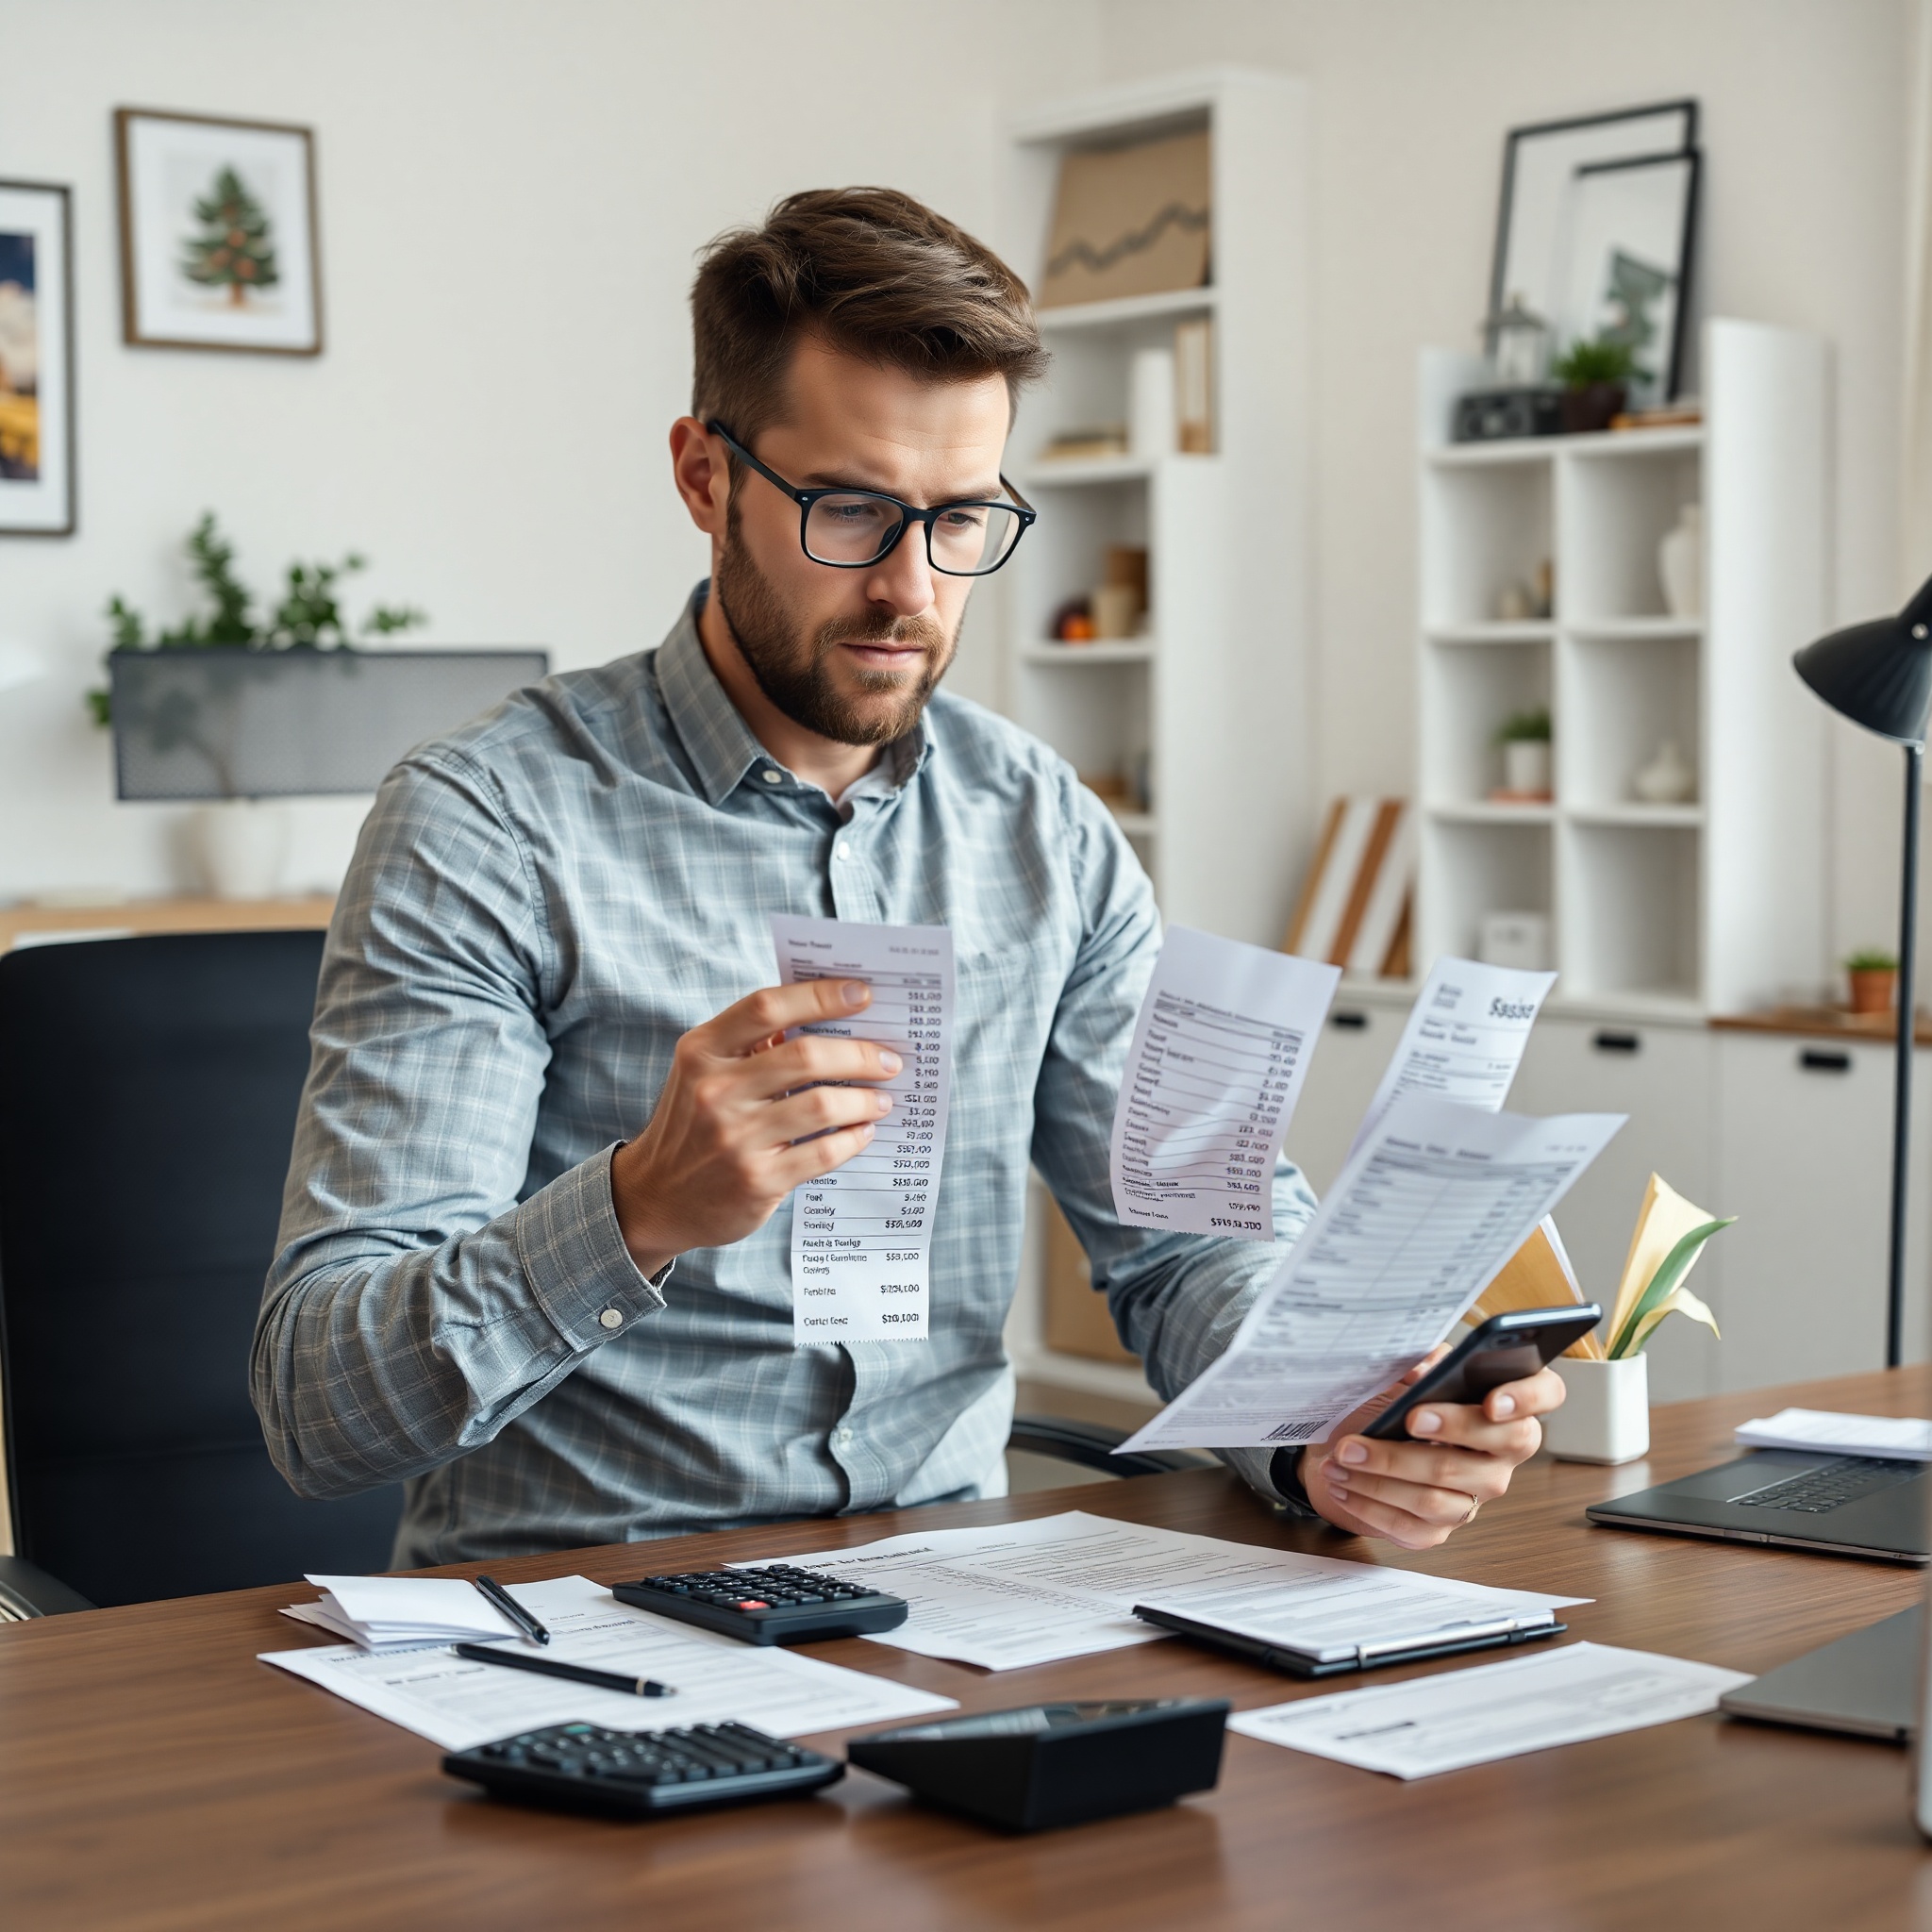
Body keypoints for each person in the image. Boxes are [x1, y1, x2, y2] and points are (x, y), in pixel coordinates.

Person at [253, 187, 1563, 1566]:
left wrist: (1334, 1426)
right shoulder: (486, 824)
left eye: (960, 519)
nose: (913, 590)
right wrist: (637, 1207)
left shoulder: (1044, 825)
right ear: (707, 479)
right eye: (851, 510)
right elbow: (318, 1406)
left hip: (949, 1615)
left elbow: (1191, 1248)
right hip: (579, 1615)